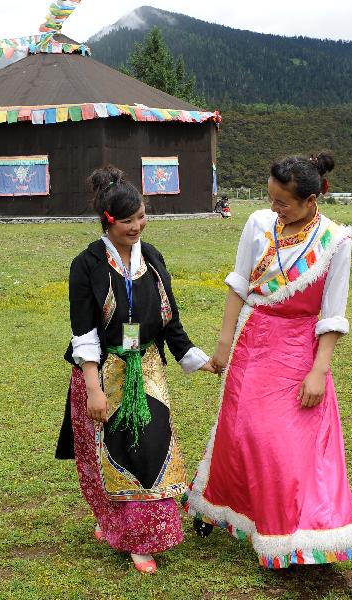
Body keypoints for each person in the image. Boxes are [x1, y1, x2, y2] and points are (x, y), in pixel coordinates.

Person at [183, 152, 352, 568]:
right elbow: (238, 286)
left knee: (286, 443)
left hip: (298, 350)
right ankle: (218, 507)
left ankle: (292, 534)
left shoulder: (336, 240)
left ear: (311, 200)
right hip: (253, 342)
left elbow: (332, 314)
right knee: (241, 432)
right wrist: (223, 345)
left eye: (283, 202)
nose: (274, 207)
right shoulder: (258, 224)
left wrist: (318, 372)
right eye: (271, 198)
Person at [56, 165, 214, 573]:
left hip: (147, 367)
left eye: (142, 216)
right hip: (102, 368)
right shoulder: (86, 265)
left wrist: (200, 360)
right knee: (106, 455)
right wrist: (94, 388)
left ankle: (143, 535)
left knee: (152, 449)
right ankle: (119, 527)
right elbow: (84, 331)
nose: (138, 226)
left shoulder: (153, 257)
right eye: (128, 220)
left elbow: (169, 320)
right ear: (108, 222)